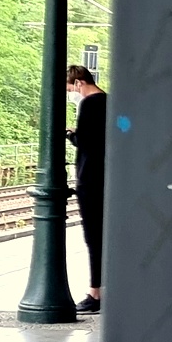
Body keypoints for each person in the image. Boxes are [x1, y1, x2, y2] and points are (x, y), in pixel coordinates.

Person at [66, 64, 106, 315]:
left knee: (93, 237)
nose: (71, 94)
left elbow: (86, 142)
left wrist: (71, 135)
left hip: (90, 179)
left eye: (70, 88)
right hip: (106, 177)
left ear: (79, 82)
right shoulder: (109, 100)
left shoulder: (89, 104)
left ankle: (95, 293)